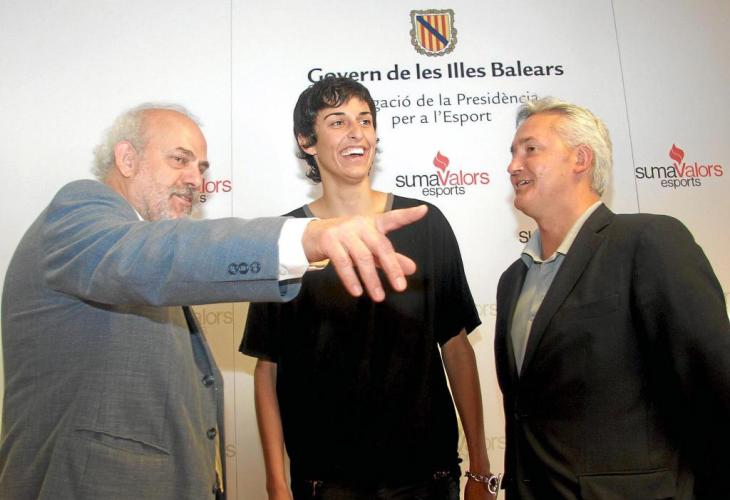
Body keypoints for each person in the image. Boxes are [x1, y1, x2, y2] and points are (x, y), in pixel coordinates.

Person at [0, 103, 428, 500]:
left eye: (201, 168)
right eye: (179, 159)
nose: (196, 180)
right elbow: (156, 256)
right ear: (127, 159)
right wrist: (308, 235)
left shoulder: (146, 254)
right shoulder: (80, 210)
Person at [240, 77, 496, 500]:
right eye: (338, 121)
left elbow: (455, 346)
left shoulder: (425, 222)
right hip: (327, 483)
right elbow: (268, 368)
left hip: (427, 478)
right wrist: (276, 483)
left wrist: (480, 470)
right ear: (306, 140)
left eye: (365, 120)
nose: (357, 132)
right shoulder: (285, 239)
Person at [494, 97, 730, 499]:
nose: (513, 165)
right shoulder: (512, 280)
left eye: (530, 149)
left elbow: (715, 389)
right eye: (513, 152)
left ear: (581, 159)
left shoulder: (647, 242)